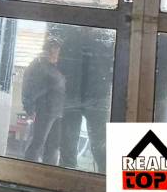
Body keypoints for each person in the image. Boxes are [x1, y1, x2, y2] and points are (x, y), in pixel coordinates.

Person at [57, 25, 114, 173]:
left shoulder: (72, 41)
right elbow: (112, 69)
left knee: (73, 140)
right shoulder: (105, 42)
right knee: (95, 141)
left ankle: (69, 176)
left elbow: (61, 67)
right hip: (91, 96)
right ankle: (103, 176)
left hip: (86, 96)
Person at [22, 37, 66, 165]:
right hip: (44, 110)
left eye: (58, 49)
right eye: (54, 48)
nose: (57, 52)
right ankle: (27, 170)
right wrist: (30, 108)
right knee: (37, 142)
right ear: (47, 50)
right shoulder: (39, 65)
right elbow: (29, 88)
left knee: (53, 146)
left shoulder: (57, 66)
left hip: (58, 111)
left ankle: (48, 173)